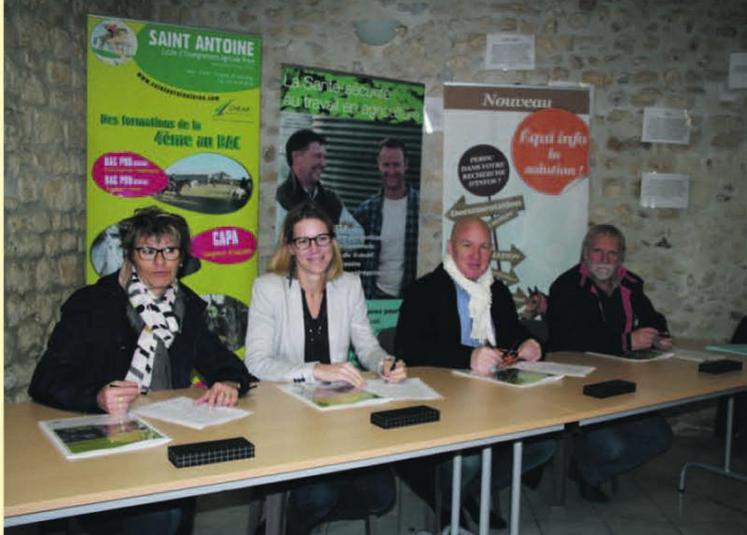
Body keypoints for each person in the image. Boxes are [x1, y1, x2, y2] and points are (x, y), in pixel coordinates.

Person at [28, 206, 254, 534]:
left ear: (181, 257)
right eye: (148, 251)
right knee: (162, 519)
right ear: (131, 256)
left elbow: (224, 362)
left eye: (170, 251)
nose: (160, 262)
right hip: (105, 444)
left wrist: (229, 381)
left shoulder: (186, 307)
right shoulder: (92, 304)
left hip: (167, 438)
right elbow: (45, 379)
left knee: (174, 512)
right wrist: (97, 396)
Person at [245, 201, 406, 535]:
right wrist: (316, 369)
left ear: (333, 241)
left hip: (336, 414)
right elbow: (257, 363)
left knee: (382, 495)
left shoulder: (348, 285)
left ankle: (299, 511)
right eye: (303, 241)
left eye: (321, 239)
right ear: (290, 247)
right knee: (320, 493)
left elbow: (366, 345)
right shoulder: (268, 288)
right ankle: (287, 525)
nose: (314, 249)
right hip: (284, 415)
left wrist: (384, 362)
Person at [395, 216, 555, 530]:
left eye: (484, 247)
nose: (476, 256)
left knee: (543, 445)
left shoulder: (497, 292)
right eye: (467, 245)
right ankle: (448, 503)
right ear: (450, 248)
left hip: (495, 401)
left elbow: (512, 331)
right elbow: (409, 349)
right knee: (468, 458)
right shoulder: (424, 290)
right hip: (444, 403)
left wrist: (529, 342)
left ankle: (467, 492)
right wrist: (468, 356)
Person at [547, 223, 673, 501]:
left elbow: (653, 317)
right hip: (578, 390)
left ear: (621, 258)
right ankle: (583, 460)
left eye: (612, 254)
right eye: (598, 252)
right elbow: (569, 340)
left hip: (624, 385)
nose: (604, 260)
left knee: (660, 439)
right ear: (585, 253)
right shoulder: (566, 287)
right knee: (613, 447)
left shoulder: (630, 283)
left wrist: (657, 336)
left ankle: (586, 471)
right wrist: (626, 342)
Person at [353, 137, 419, 299]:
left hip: (410, 297)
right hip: (374, 298)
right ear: (379, 166)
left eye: (396, 164)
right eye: (386, 165)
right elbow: (351, 260)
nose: (391, 171)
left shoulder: (422, 209)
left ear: (406, 165)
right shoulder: (366, 211)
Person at [275, 129, 363, 247]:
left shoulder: (330, 200)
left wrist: (324, 232)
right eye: (317, 156)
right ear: (297, 157)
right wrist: (332, 232)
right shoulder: (280, 198)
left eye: (324, 157)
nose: (324, 163)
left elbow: (358, 237)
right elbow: (281, 242)